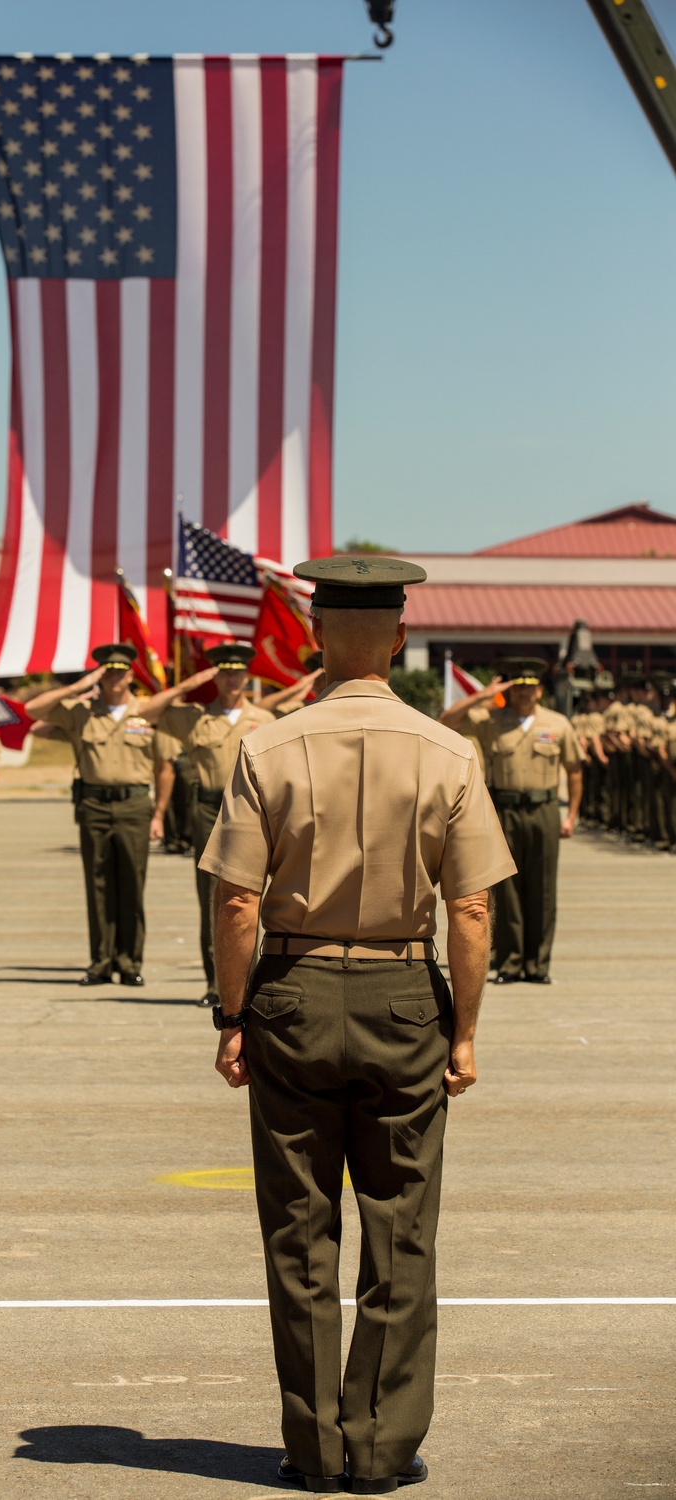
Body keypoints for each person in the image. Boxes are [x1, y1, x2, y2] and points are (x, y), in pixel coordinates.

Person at [200, 555, 515, 1495]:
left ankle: (312, 1448)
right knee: (401, 1228)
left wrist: (232, 1014)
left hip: (292, 992)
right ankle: (378, 1448)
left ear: (315, 638)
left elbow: (234, 904)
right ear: (402, 639)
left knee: (299, 1232)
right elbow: (470, 910)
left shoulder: (267, 747)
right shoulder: (449, 752)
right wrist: (462, 1031)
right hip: (401, 997)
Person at [25, 644, 179, 987]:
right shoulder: (82, 711)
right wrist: (80, 686)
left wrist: (159, 815)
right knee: (97, 885)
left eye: (121, 671)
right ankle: (101, 961)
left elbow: (164, 767)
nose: (115, 677)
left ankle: (129, 962)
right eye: (107, 670)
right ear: (100, 673)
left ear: (131, 674)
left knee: (131, 884)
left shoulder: (147, 713)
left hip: (134, 805)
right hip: (93, 805)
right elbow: (33, 708)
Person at [440, 657, 583, 984]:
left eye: (530, 688)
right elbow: (447, 721)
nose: (524, 694)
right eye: (518, 687)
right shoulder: (492, 719)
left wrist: (571, 815)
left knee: (543, 887)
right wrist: (483, 695)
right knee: (504, 888)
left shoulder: (558, 723)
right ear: (510, 690)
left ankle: (537, 964)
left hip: (544, 810)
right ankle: (509, 962)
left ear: (540, 691)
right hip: (502, 810)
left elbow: (574, 771)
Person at [150, 643, 275, 1006]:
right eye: (224, 672)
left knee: (250, 897)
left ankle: (249, 979)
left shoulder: (264, 721)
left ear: (247, 676)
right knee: (211, 898)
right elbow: (146, 712)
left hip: (252, 812)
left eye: (237, 672)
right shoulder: (195, 716)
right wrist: (189, 684)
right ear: (215, 676)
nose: (231, 679)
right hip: (208, 810)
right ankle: (215, 983)